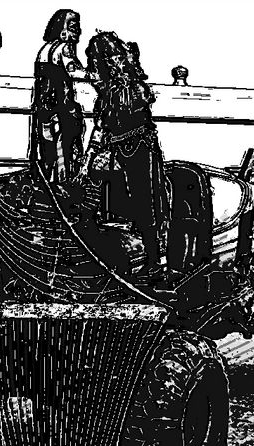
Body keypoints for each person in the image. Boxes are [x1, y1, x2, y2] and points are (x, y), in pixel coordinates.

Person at [79, 32, 170, 281]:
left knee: (144, 204)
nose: (92, 74)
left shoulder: (133, 90)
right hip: (119, 151)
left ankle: (154, 262)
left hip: (139, 150)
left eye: (95, 66)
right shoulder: (106, 95)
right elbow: (100, 129)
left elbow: (134, 116)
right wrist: (89, 158)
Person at [29, 9, 86, 183]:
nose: (78, 31)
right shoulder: (65, 48)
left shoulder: (44, 49)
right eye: (74, 27)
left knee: (46, 152)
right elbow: (74, 72)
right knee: (66, 151)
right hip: (62, 107)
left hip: (43, 108)